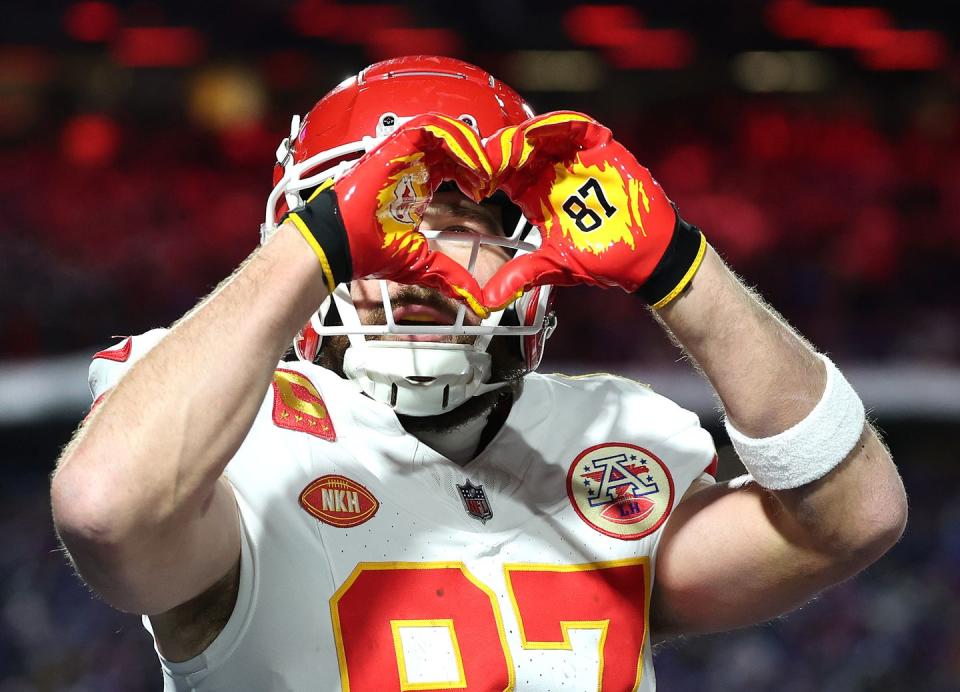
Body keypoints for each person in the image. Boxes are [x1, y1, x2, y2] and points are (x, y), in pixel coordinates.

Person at [51, 56, 906, 691]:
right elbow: (106, 513)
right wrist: (316, 247)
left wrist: (683, 270)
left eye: (461, 212)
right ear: (309, 234)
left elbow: (854, 518)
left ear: (529, 243)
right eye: (383, 213)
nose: (418, 251)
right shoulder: (241, 434)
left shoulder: (606, 438)